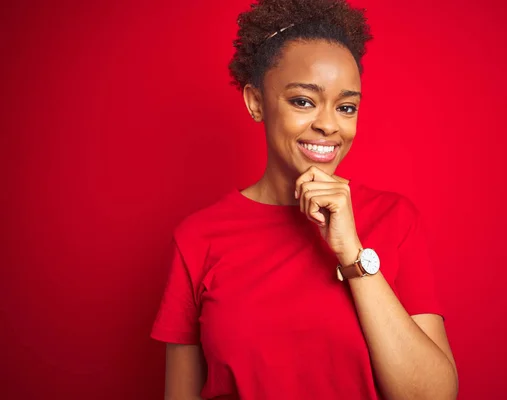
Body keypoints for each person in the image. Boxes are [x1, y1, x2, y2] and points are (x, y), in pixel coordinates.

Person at [151, 0, 458, 399]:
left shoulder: (395, 219)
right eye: (303, 101)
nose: (328, 124)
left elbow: (434, 396)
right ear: (256, 102)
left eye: (346, 107)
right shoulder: (198, 238)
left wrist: (352, 253)